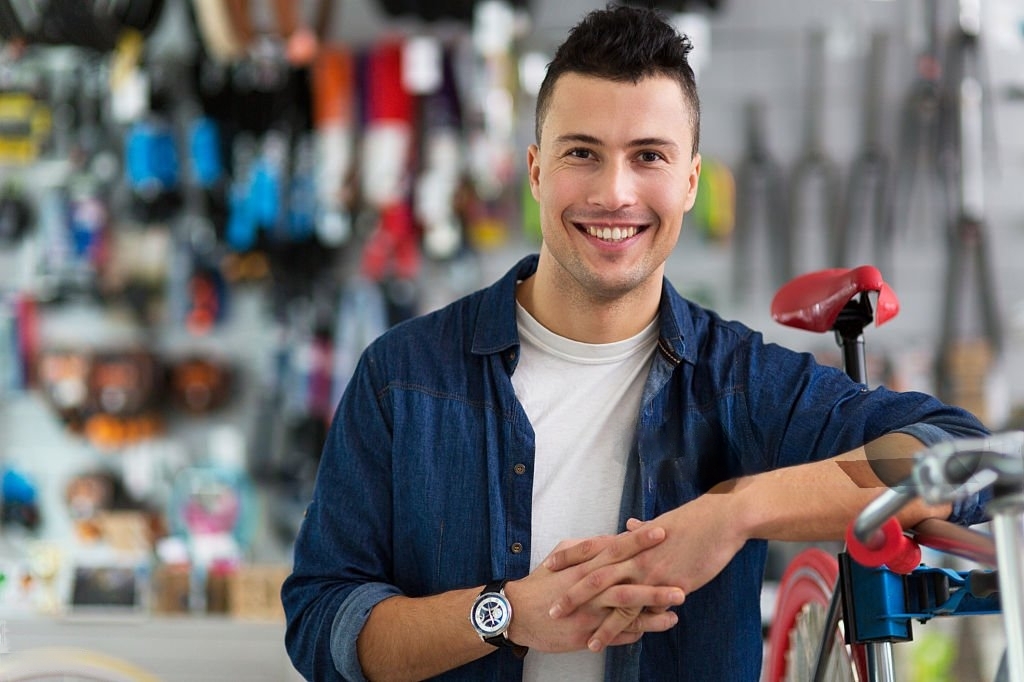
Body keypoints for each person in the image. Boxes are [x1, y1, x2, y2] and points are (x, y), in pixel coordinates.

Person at [282, 5, 989, 681]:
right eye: (582, 153)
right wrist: (503, 615)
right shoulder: (403, 377)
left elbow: (957, 462)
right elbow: (322, 625)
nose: (614, 192)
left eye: (647, 156)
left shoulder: (741, 383)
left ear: (690, 183)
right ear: (536, 171)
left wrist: (736, 511)